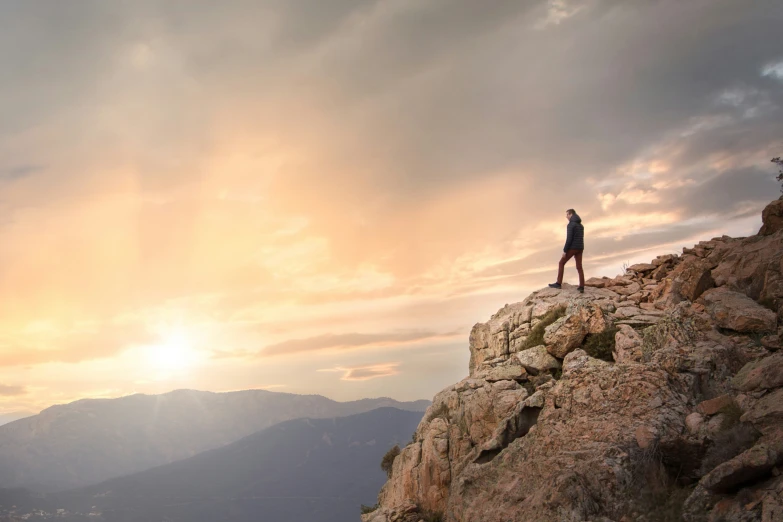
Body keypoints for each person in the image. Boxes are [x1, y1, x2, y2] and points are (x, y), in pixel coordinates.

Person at [549, 209, 585, 292]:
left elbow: (569, 239)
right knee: (579, 267)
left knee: (561, 263)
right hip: (580, 247)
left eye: (567, 215)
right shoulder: (581, 225)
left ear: (571, 214)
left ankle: (558, 283)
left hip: (572, 248)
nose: (566, 217)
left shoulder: (571, 225)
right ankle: (581, 286)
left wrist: (565, 251)